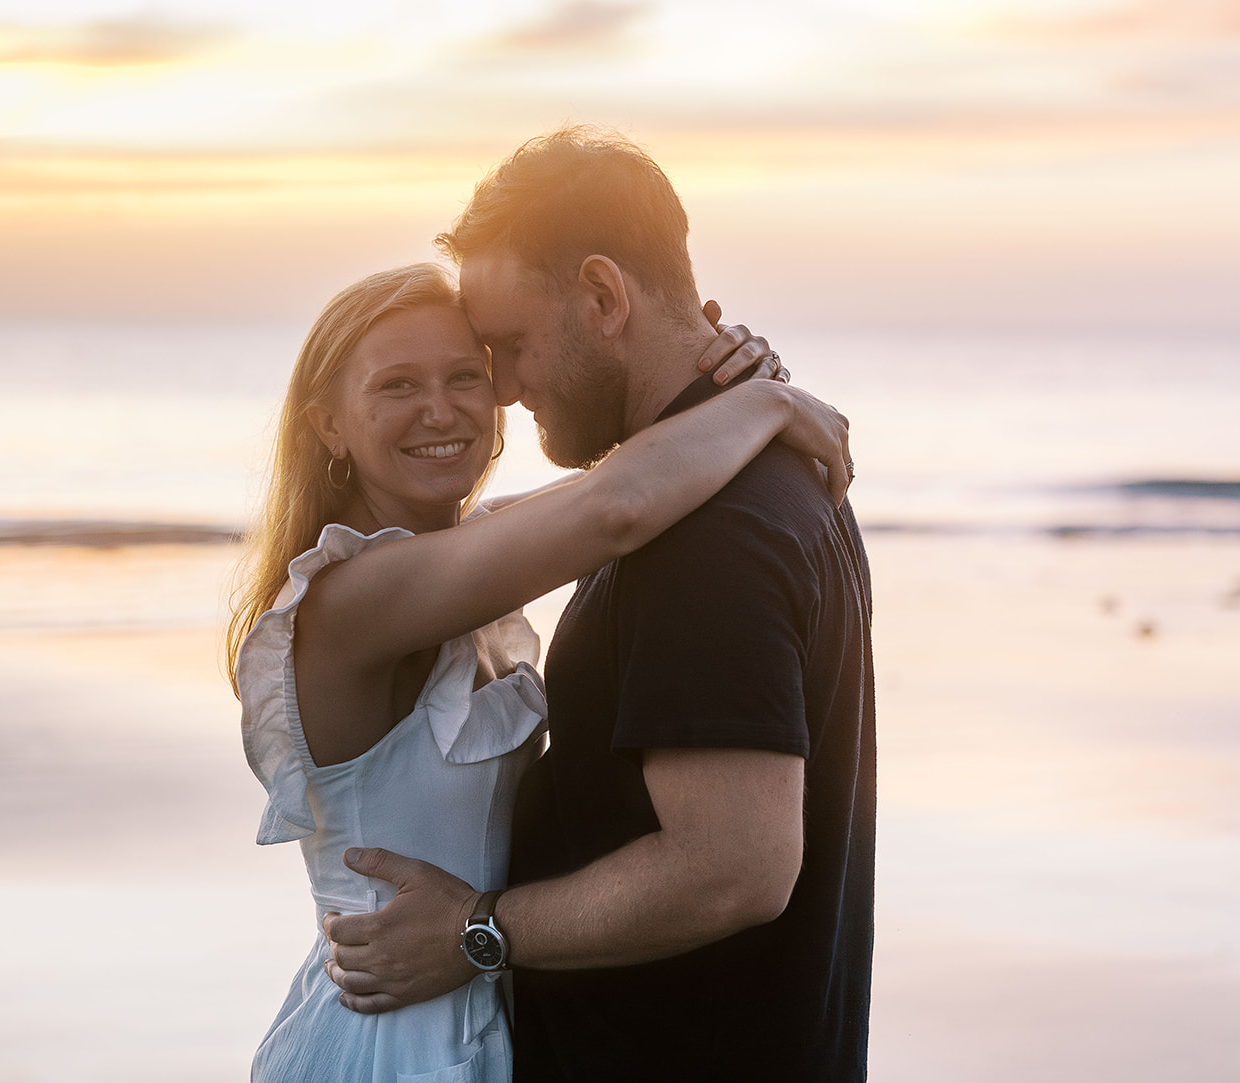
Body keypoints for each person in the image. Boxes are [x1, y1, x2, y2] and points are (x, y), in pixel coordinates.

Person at [323, 128, 876, 1080]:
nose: (498, 388)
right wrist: (759, 399)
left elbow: (734, 866)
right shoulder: (710, 483)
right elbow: (610, 501)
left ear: (603, 296)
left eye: (505, 346)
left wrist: (477, 933)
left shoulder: (710, 532)